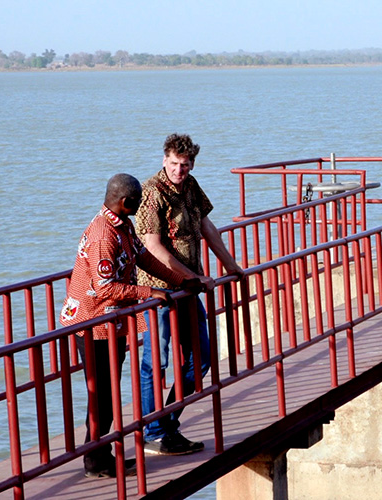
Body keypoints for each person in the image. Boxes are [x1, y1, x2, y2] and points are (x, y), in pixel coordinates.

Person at [60, 173, 192, 478]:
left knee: (108, 393)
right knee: (101, 395)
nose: (141, 203)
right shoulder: (103, 235)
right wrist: (149, 292)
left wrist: (181, 280)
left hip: (112, 321)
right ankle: (97, 461)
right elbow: (105, 286)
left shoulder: (122, 224)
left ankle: (100, 455)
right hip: (92, 322)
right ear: (126, 201)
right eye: (138, 200)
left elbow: (143, 256)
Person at [135, 133, 244, 456]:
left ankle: (166, 423)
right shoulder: (152, 193)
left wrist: (231, 266)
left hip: (188, 289)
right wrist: (194, 277)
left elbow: (206, 226)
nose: (178, 171)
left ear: (192, 163)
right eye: (173, 164)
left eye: (184, 165)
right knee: (156, 361)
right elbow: (151, 246)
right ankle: (154, 431)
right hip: (159, 291)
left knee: (202, 358)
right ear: (163, 160)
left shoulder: (191, 186)